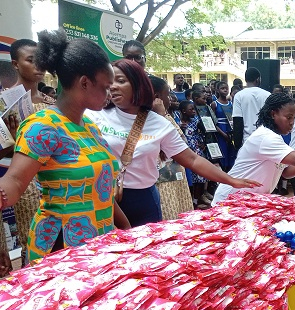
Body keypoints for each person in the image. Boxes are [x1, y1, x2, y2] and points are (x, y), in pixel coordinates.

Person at [0, 30, 131, 263]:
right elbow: (16, 181)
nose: (110, 93)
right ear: (84, 83)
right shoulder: (43, 126)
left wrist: (125, 229)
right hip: (62, 250)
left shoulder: (89, 126)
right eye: (106, 86)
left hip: (99, 244)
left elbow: (100, 192)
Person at [87, 59, 260, 227]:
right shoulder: (93, 116)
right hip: (102, 199)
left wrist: (230, 180)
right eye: (110, 81)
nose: (113, 86)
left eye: (121, 81)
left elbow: (192, 160)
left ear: (138, 84)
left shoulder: (158, 123)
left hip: (143, 201)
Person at [2, 38, 59, 269]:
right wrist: (15, 141)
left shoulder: (53, 105)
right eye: (31, 61)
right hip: (21, 183)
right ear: (15, 64)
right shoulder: (4, 103)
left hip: (55, 181)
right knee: (31, 241)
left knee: (57, 244)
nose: (39, 66)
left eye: (42, 60)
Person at [148, 75, 194, 220]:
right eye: (168, 95)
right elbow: (182, 141)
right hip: (162, 179)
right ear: (157, 98)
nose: (171, 99)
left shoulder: (164, 117)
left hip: (175, 174)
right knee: (168, 214)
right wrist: (163, 115)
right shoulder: (155, 118)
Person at [232, 67, 270, 149]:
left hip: (247, 142)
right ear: (258, 79)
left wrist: (237, 146)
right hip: (265, 140)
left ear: (245, 80)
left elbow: (237, 122)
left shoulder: (239, 96)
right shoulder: (267, 95)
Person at [211, 81, 235, 171]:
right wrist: (222, 134)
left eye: (226, 88)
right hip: (220, 131)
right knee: (222, 152)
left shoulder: (231, 104)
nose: (225, 90)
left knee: (231, 153)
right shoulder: (215, 104)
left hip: (230, 131)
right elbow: (213, 122)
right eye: (222, 88)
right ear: (217, 90)